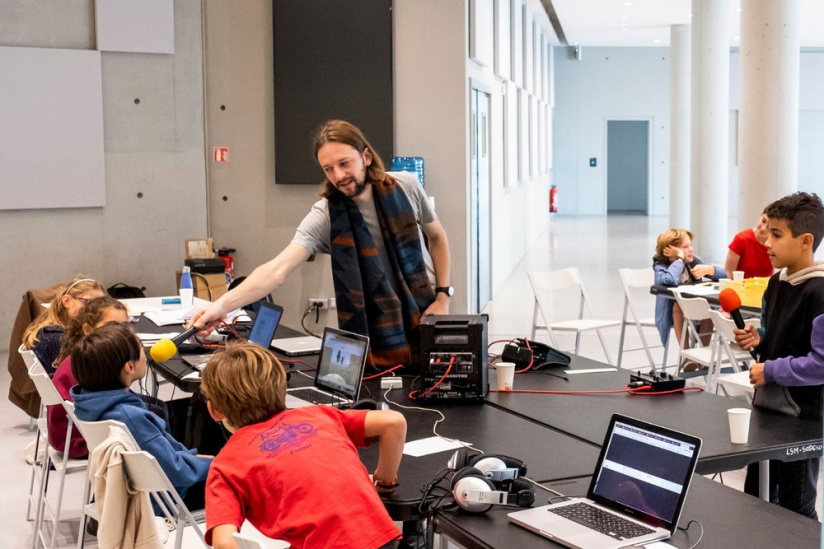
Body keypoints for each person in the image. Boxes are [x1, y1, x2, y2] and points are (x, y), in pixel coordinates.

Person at [191, 120, 452, 370]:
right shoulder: (326, 215)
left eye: (344, 163)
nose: (338, 176)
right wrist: (221, 306)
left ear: (366, 157)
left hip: (427, 316)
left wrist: (443, 295)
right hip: (376, 340)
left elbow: (437, 237)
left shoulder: (406, 186)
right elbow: (276, 269)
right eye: (328, 169)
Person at [200, 342, 405, 549]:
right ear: (282, 389)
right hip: (380, 538)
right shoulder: (320, 415)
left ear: (214, 410)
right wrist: (383, 482)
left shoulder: (225, 466)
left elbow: (224, 542)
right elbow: (394, 422)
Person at [733, 192, 824, 518]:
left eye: (776, 234)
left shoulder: (819, 291)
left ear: (806, 240)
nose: (766, 242)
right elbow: (780, 340)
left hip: (803, 418)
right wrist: (760, 338)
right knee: (755, 498)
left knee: (795, 509)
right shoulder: (776, 283)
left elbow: (821, 364)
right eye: (766, 232)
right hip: (768, 412)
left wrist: (770, 370)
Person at [70, 323, 212, 509]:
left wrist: (195, 458)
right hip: (162, 500)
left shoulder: (88, 402)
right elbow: (175, 472)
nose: (146, 354)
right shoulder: (131, 418)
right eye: (142, 350)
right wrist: (214, 464)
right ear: (129, 367)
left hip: (133, 494)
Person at [47, 296, 129, 459]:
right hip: (79, 440)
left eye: (125, 327)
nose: (120, 334)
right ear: (88, 330)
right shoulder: (91, 365)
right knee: (153, 413)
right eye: (111, 327)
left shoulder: (82, 356)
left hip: (70, 433)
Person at [652, 229, 726, 352]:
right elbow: (669, 280)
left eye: (690, 245)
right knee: (677, 305)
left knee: (709, 307)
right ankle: (685, 353)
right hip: (672, 314)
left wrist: (710, 270)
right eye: (685, 247)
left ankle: (704, 350)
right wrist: (679, 260)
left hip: (696, 311)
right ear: (670, 252)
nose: (691, 249)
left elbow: (725, 277)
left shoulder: (693, 262)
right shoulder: (661, 266)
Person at [22, 276, 106, 375]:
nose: (95, 308)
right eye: (87, 302)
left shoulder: (60, 329)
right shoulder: (56, 337)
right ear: (66, 301)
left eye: (100, 303)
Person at [724, 211, 774, 279]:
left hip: (765, 287)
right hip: (741, 287)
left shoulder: (776, 243)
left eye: (769, 226)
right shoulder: (741, 239)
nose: (763, 228)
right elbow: (728, 273)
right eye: (763, 221)